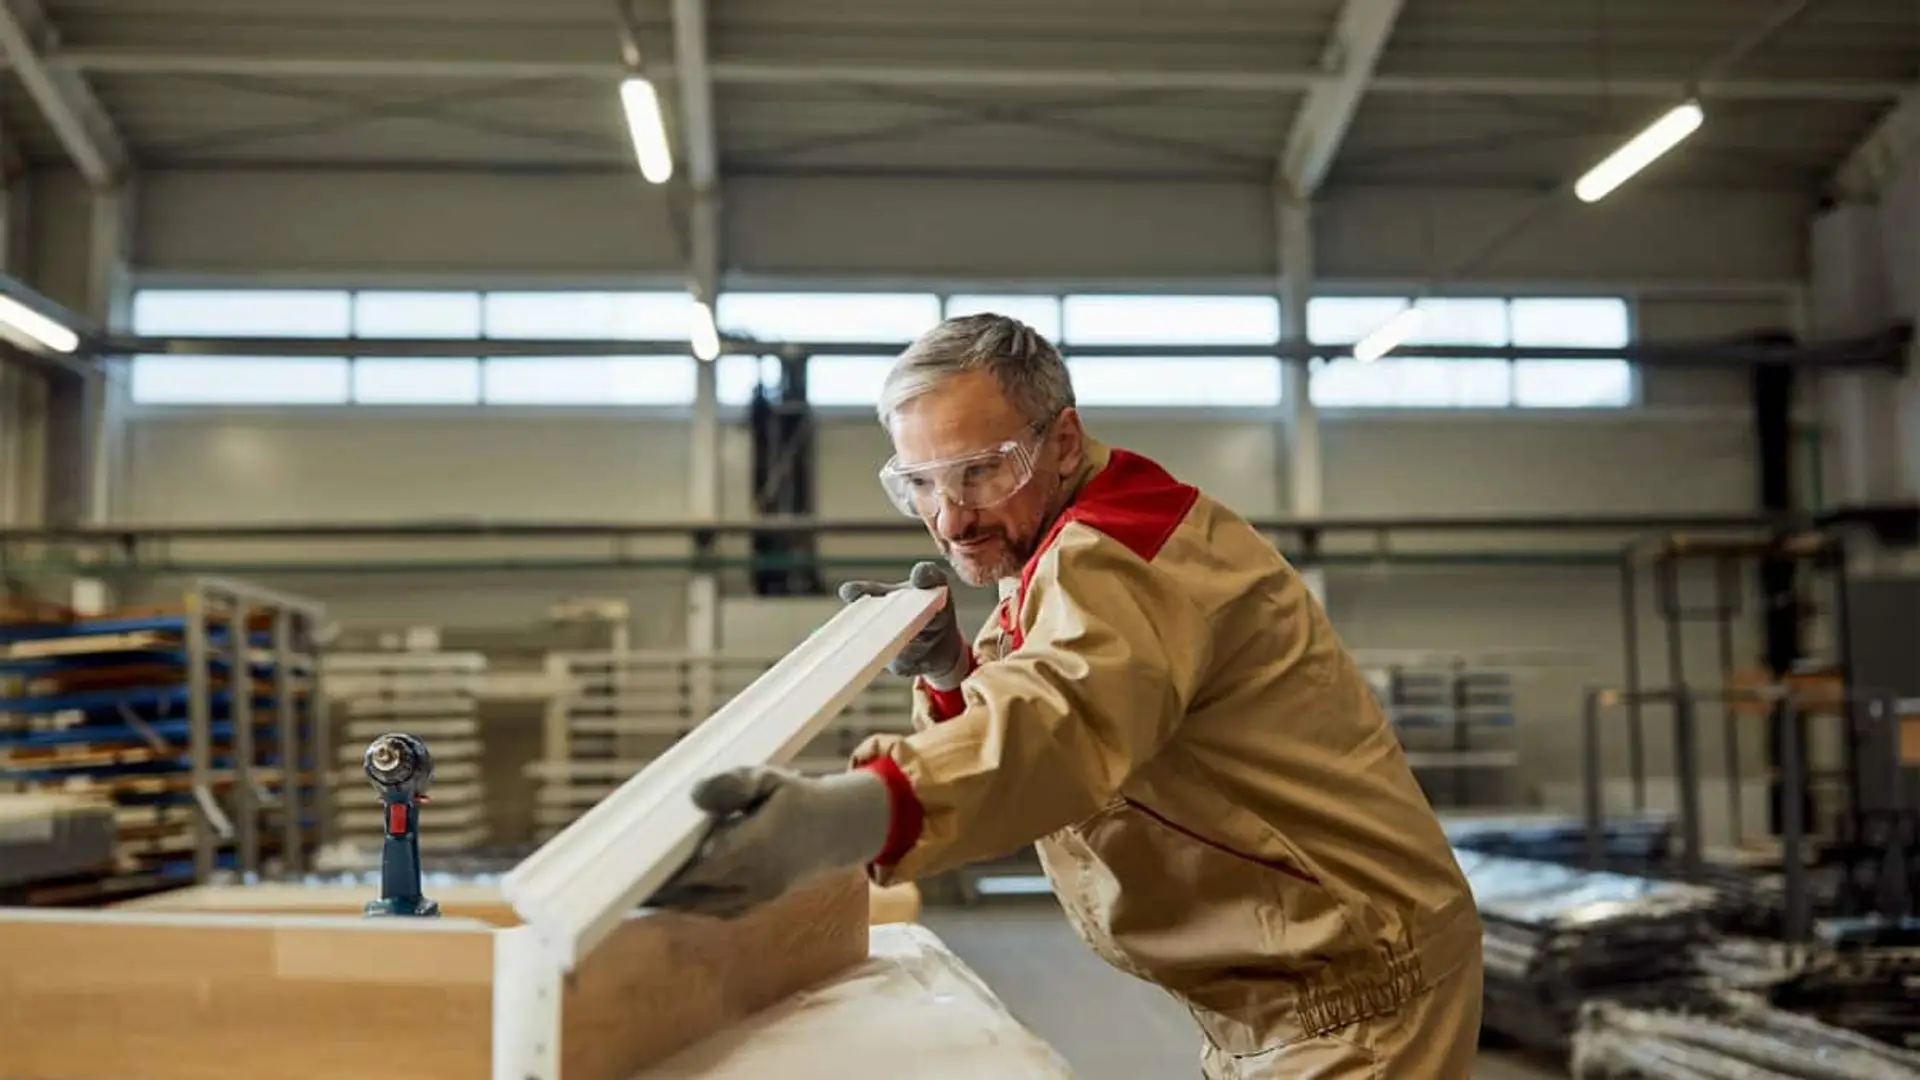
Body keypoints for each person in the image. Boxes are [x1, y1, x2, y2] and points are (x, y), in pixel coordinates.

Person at [650, 313, 1485, 1078]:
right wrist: (954, 675)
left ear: (1062, 441)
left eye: (981, 473)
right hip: (1287, 983)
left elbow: (1059, 725)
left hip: (1354, 990)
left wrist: (847, 816)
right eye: (922, 485)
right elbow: (1054, 724)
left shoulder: (1118, 552)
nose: (951, 520)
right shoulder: (1056, 548)